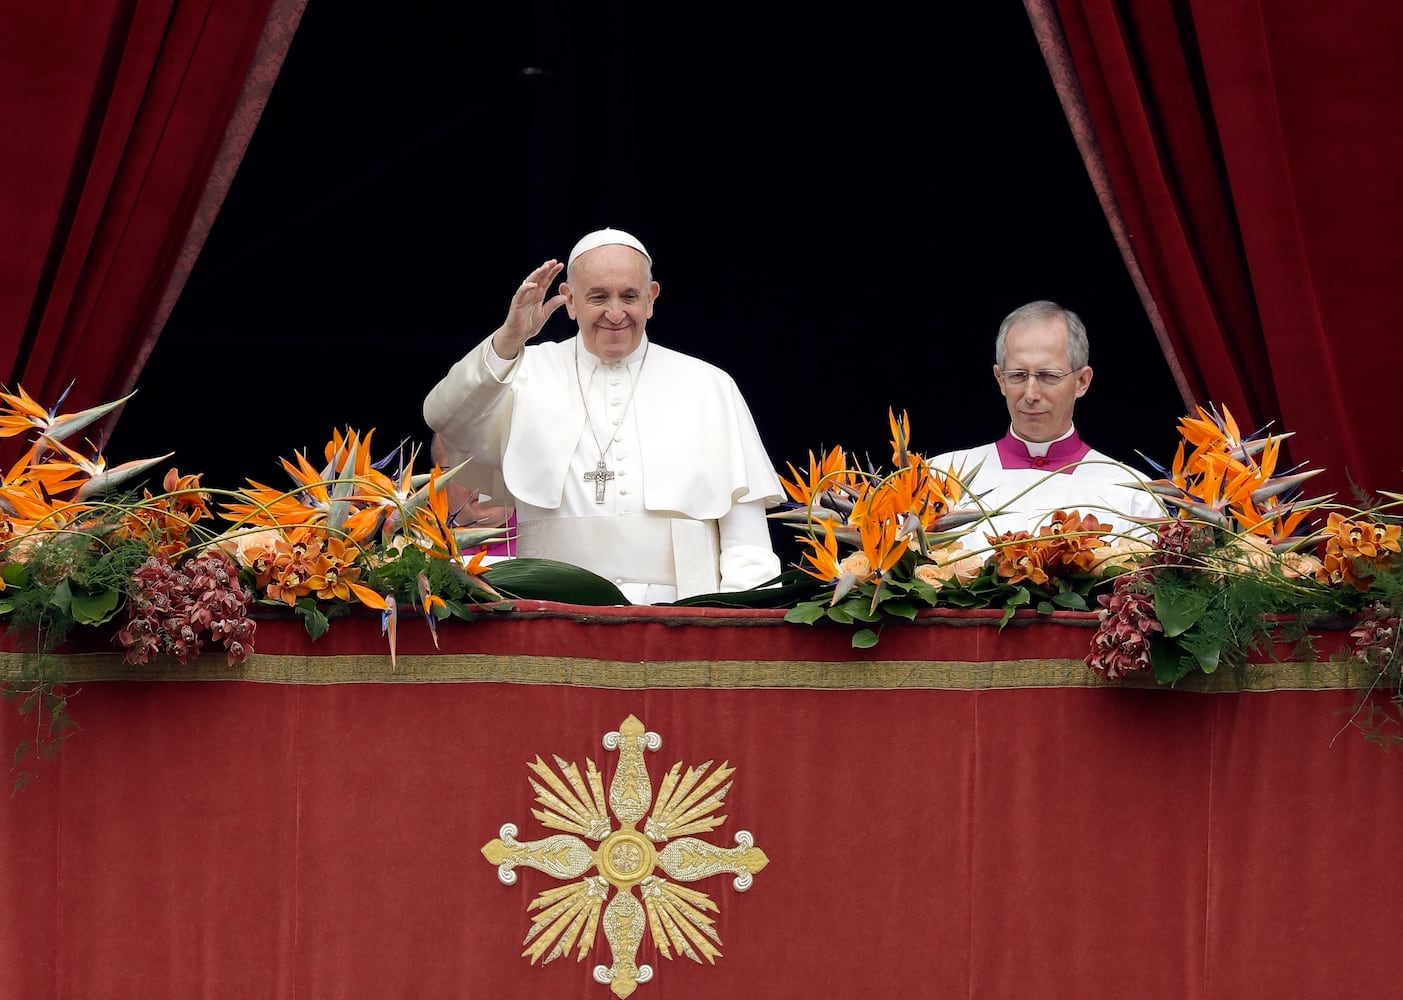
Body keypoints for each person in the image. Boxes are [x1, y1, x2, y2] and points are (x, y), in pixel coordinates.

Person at [422, 227, 783, 604]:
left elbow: (749, 547)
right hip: (550, 617)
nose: (615, 313)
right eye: (598, 297)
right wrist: (510, 338)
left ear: (651, 299)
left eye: (629, 296)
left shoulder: (709, 386)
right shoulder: (523, 374)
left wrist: (739, 632)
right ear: (570, 300)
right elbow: (444, 416)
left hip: (683, 621)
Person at [930, 300, 1163, 542]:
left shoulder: (1135, 496)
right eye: (1018, 375)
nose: (1031, 394)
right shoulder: (939, 477)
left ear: (1082, 381)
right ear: (1000, 379)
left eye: (1048, 376)